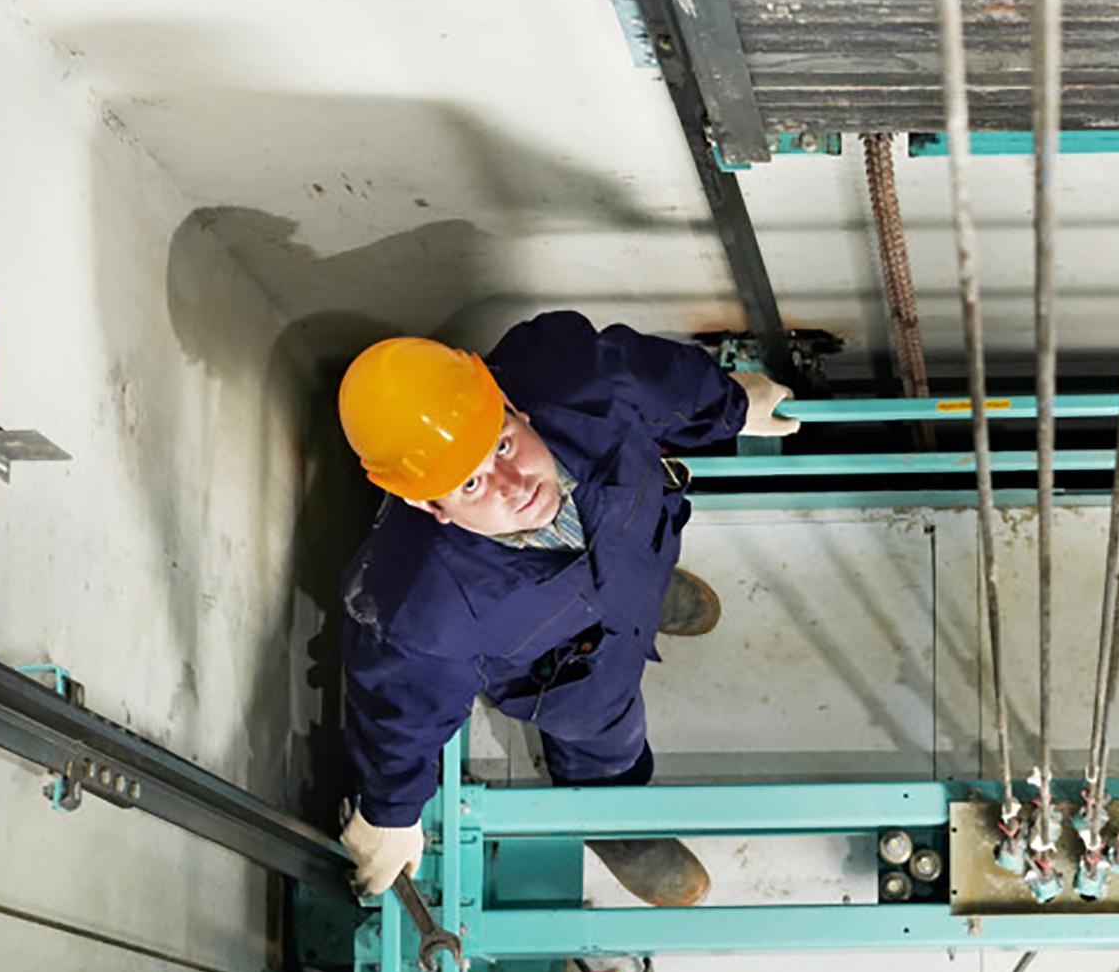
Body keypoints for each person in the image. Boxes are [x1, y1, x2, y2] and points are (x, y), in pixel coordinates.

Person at [332, 311, 797, 903]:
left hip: (637, 553)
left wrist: (731, 405)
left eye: (502, 444)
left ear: (511, 404)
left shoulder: (578, 378)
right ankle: (610, 815)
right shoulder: (426, 610)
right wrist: (391, 811)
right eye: (470, 485)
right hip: (580, 673)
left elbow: (665, 380)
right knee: (609, 737)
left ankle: (648, 603)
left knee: (642, 576)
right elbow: (401, 711)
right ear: (429, 508)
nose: (511, 483)